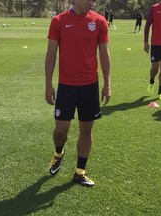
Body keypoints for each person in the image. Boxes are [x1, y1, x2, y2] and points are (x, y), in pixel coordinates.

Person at [45, 0, 111, 187]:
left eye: (94, 1)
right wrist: (48, 84)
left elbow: (105, 54)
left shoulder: (99, 21)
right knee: (60, 131)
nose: (92, 3)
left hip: (90, 86)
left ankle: (80, 171)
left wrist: (107, 84)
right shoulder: (58, 21)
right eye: (88, 0)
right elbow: (51, 54)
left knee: (86, 129)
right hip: (66, 86)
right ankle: (59, 152)